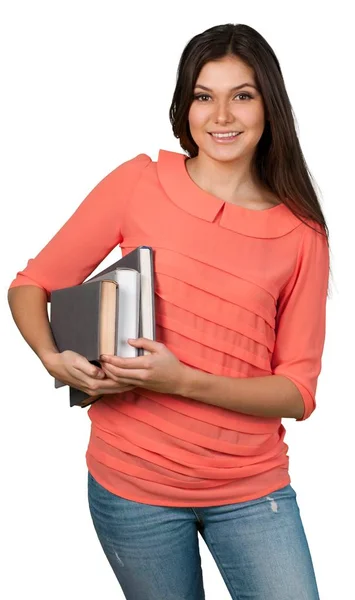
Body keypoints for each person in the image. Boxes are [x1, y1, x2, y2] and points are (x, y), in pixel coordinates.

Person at [8, 22, 330, 600]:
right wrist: (54, 360)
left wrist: (183, 381)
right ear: (184, 107)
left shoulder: (301, 232)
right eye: (204, 96)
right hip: (133, 484)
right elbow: (33, 285)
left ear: (269, 106)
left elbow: (297, 393)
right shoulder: (140, 183)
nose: (221, 115)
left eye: (243, 95)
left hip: (252, 488)